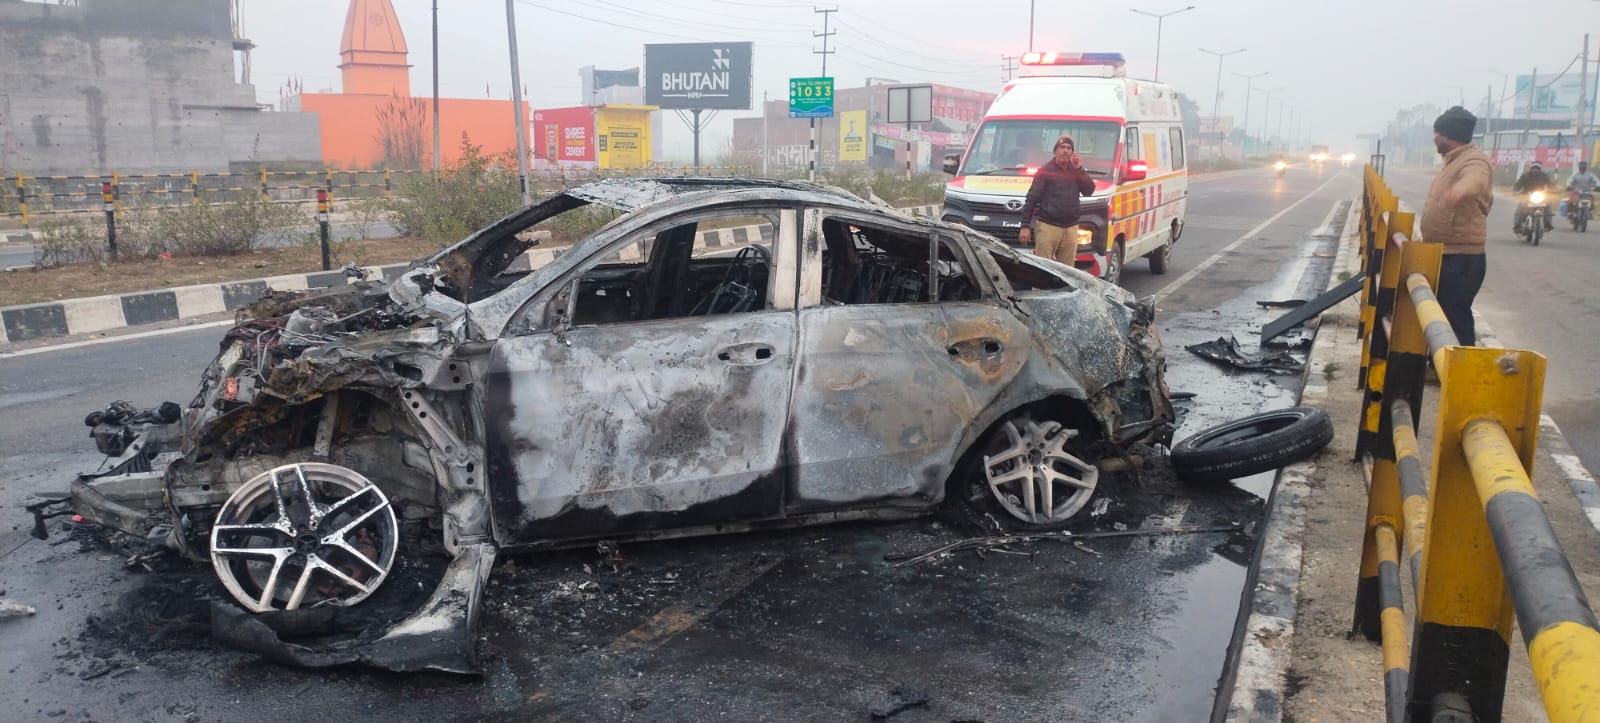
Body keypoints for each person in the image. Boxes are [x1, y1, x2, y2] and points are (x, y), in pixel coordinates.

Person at [1420, 106, 1493, 348]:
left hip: (1461, 258)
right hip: (1447, 253)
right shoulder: (1454, 161)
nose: (1434, 138)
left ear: (1448, 135)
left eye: (1437, 133)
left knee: (1455, 316)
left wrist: (1459, 191)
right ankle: (1443, 360)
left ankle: (1461, 364)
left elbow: (1476, 179)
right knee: (1443, 314)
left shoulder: (1474, 160)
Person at [1017, 134, 1096, 264]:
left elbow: (1089, 191)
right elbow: (1032, 199)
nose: (1065, 150)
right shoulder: (1045, 171)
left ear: (1072, 152)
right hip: (1048, 227)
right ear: (1055, 151)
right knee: (1044, 267)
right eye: (1062, 147)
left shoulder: (1076, 171)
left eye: (1069, 148)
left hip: (1071, 228)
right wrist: (1025, 226)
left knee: (1067, 270)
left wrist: (1079, 169)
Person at [1512, 161, 1553, 232]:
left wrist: (1553, 190)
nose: (1535, 170)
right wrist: (1516, 190)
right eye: (1534, 168)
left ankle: (1548, 223)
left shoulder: (1544, 176)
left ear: (1540, 169)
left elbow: (1550, 184)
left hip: (1540, 196)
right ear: (1531, 168)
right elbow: (1518, 184)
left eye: (1537, 168)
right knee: (1520, 205)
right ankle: (1517, 225)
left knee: (1548, 205)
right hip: (1526, 195)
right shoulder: (1525, 175)